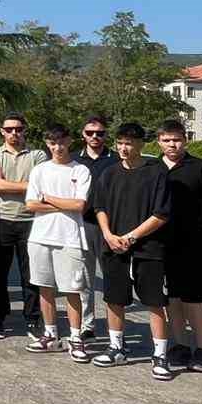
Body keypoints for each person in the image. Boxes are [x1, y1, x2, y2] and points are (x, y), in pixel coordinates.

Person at [89, 124, 173, 377]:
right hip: (114, 246)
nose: (124, 148)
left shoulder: (156, 172)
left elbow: (162, 213)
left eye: (129, 143)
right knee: (114, 299)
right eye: (120, 142)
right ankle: (117, 348)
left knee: (154, 301)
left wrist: (132, 236)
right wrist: (108, 235)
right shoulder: (109, 172)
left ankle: (160, 355)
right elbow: (99, 207)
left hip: (149, 248)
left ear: (141, 144)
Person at [155, 120, 202, 372]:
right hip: (161, 242)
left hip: (194, 242)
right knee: (171, 297)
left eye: (177, 139)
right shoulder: (152, 168)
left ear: (186, 140)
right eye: (167, 140)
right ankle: (180, 345)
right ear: (159, 141)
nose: (173, 144)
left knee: (194, 298)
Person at [23, 126, 94, 358]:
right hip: (40, 237)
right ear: (47, 144)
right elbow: (31, 204)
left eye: (62, 142)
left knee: (72, 290)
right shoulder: (39, 170)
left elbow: (79, 206)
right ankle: (51, 335)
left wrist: (48, 198)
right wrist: (63, 203)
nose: (58, 147)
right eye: (53, 143)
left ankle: (75, 338)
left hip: (70, 238)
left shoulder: (81, 170)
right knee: (45, 288)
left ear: (70, 141)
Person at [0, 114, 45, 338]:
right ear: (2, 131)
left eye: (18, 129)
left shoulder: (38, 155)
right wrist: (28, 186)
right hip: (1, 220)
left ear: (24, 130)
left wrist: (17, 186)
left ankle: (32, 320)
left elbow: (40, 186)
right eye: (9, 129)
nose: (14, 133)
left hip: (31, 220)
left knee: (30, 275)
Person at [73, 117, 116, 343]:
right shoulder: (73, 161)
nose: (95, 137)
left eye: (99, 133)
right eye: (90, 133)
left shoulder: (115, 160)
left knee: (111, 278)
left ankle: (115, 328)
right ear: (83, 134)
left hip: (109, 227)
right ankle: (87, 324)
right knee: (85, 279)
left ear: (105, 135)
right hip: (83, 225)